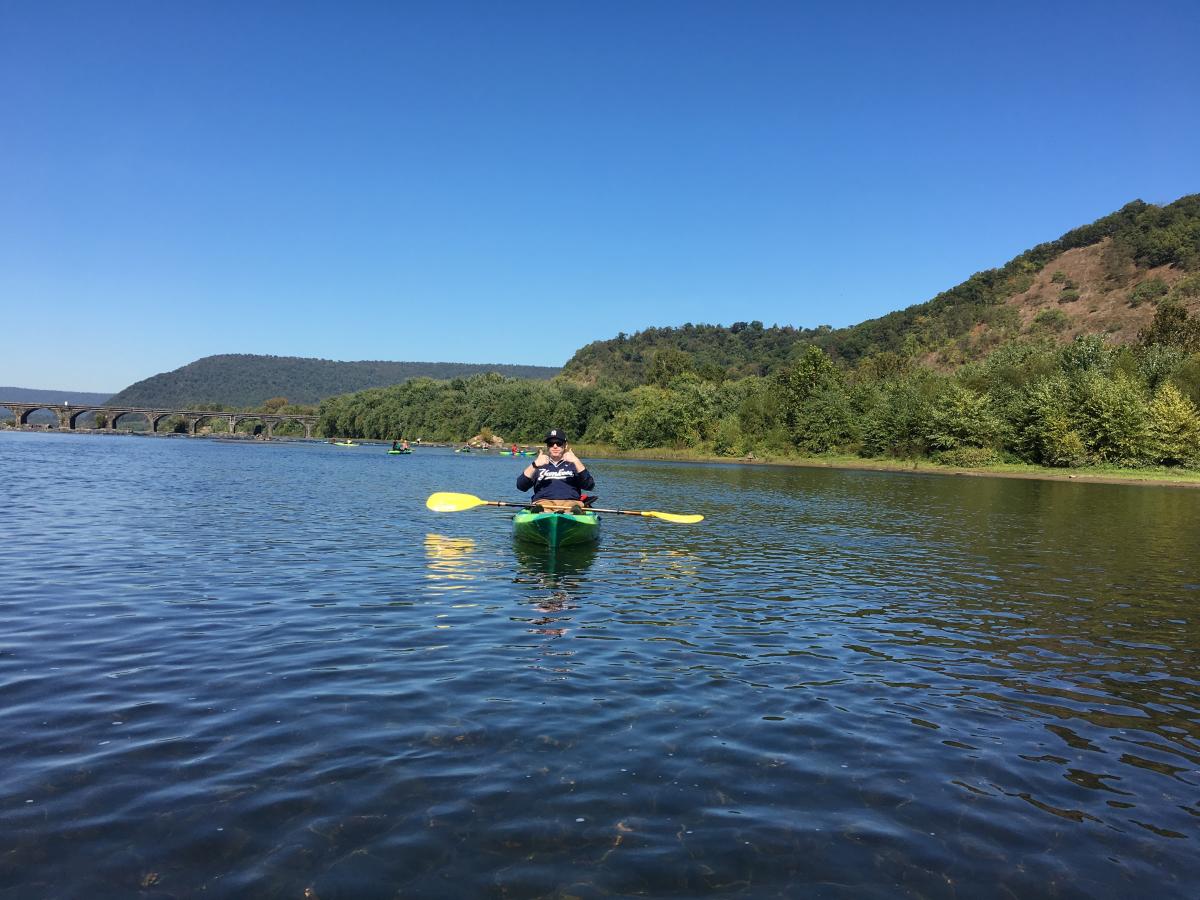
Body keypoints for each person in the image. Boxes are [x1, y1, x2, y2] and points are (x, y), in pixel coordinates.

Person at [516, 429, 594, 511]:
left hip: (571, 503)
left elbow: (589, 485)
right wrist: (534, 465)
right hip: (543, 503)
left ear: (565, 445)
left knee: (573, 507)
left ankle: (572, 515)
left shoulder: (575, 464)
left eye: (559, 443)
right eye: (551, 443)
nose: (555, 446)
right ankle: (541, 513)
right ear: (547, 446)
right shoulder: (538, 464)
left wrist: (576, 461)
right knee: (542, 507)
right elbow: (521, 486)